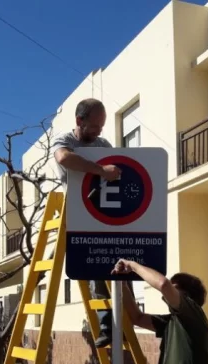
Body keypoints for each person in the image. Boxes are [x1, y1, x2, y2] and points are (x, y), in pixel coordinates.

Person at [50, 97, 126, 348]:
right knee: (94, 265)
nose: (99, 131)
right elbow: (64, 159)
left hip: (106, 210)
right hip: (78, 212)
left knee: (116, 264)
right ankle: (104, 322)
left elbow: (118, 167)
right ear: (79, 120)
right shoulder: (65, 140)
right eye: (94, 126)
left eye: (102, 126)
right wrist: (101, 170)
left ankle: (120, 320)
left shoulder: (103, 144)